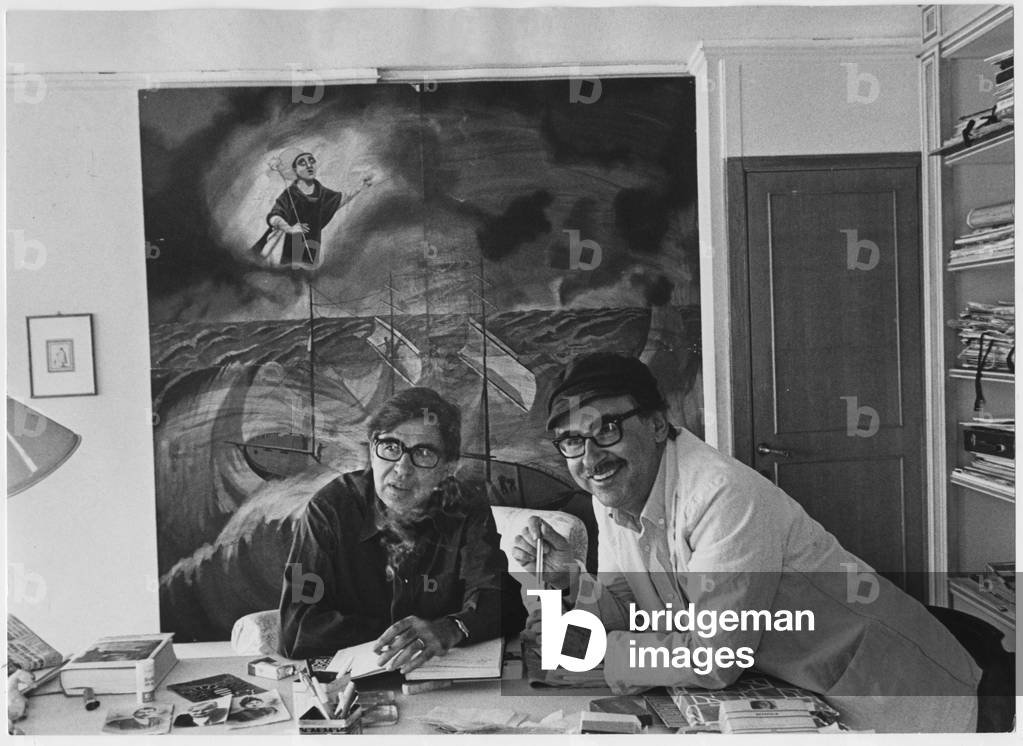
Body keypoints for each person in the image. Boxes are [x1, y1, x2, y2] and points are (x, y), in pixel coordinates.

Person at [512, 352, 982, 733]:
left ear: (656, 424)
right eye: (571, 441)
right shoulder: (613, 491)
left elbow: (715, 658)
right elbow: (626, 605)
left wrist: (593, 651)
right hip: (795, 695)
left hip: (895, 698)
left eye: (606, 430)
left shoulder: (722, 494)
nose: (590, 458)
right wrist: (562, 584)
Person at [279, 386, 525, 673]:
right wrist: (409, 636)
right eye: (391, 447)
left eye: (423, 453)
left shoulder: (466, 507)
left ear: (448, 467)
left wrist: (449, 628)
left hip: (442, 676)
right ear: (372, 450)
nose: (401, 468)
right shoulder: (330, 510)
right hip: (351, 682)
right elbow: (298, 626)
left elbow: (501, 601)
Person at [251, 147, 374, 267]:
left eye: (311, 161)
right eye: (302, 163)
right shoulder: (290, 194)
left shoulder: (322, 192)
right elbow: (274, 216)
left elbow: (340, 200)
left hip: (311, 247)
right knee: (287, 278)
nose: (309, 165)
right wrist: (289, 228)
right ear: (294, 170)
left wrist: (361, 186)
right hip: (288, 246)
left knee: (306, 278)